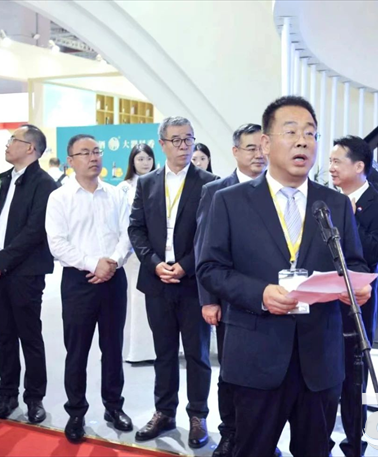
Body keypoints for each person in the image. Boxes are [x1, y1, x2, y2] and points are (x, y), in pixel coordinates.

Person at [197, 96, 372, 457]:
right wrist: (260, 293)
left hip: (319, 358)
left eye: (310, 134)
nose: (302, 142)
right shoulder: (229, 201)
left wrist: (355, 286)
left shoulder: (334, 203)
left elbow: (355, 263)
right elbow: (210, 269)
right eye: (291, 132)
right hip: (256, 355)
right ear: (265, 143)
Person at [128, 117, 216, 448]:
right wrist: (154, 264)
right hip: (157, 281)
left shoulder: (210, 183)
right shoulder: (147, 182)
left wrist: (185, 266)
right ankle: (164, 412)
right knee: (163, 352)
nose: (184, 146)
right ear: (162, 144)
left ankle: (198, 415)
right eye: (176, 140)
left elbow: (211, 236)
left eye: (188, 139)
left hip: (193, 283)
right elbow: (136, 228)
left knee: (197, 354)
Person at [45, 134, 133, 443]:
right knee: (77, 350)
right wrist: (93, 264)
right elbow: (57, 243)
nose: (94, 157)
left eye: (97, 151)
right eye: (85, 153)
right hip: (78, 281)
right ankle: (76, 412)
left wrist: (112, 262)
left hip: (113, 279)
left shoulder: (116, 194)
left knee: (113, 348)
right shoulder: (60, 197)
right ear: (70, 161)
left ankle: (114, 407)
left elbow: (128, 234)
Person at [196, 123, 273, 457]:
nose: (258, 154)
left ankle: (263, 438)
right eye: (250, 148)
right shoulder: (216, 191)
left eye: (262, 147)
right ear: (235, 152)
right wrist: (208, 301)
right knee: (231, 373)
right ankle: (230, 434)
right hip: (230, 302)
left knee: (269, 374)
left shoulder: (277, 188)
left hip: (272, 301)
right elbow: (204, 248)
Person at [328, 135, 378, 457]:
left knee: (354, 380)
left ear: (359, 166)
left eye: (337, 161)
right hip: (321, 303)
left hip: (356, 305)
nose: (330, 167)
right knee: (320, 378)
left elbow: (371, 253)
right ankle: (320, 443)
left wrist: (348, 216)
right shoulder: (323, 200)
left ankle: (353, 445)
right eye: (330, 161)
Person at [0, 124, 57, 424]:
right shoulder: (8, 179)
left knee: (29, 336)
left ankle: (34, 398)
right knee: (5, 335)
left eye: (13, 139)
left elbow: (35, 231)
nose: (7, 144)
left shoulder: (44, 184)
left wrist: (3, 261)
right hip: (0, 269)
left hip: (25, 272)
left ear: (30, 148)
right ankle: (7, 395)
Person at [118, 143, 157, 363]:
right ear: (132, 161)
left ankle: (153, 349)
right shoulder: (123, 188)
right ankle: (134, 350)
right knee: (133, 301)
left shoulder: (158, 182)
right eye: (140, 159)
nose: (145, 163)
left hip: (155, 253)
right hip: (131, 253)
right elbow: (122, 221)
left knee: (152, 303)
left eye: (148, 158)